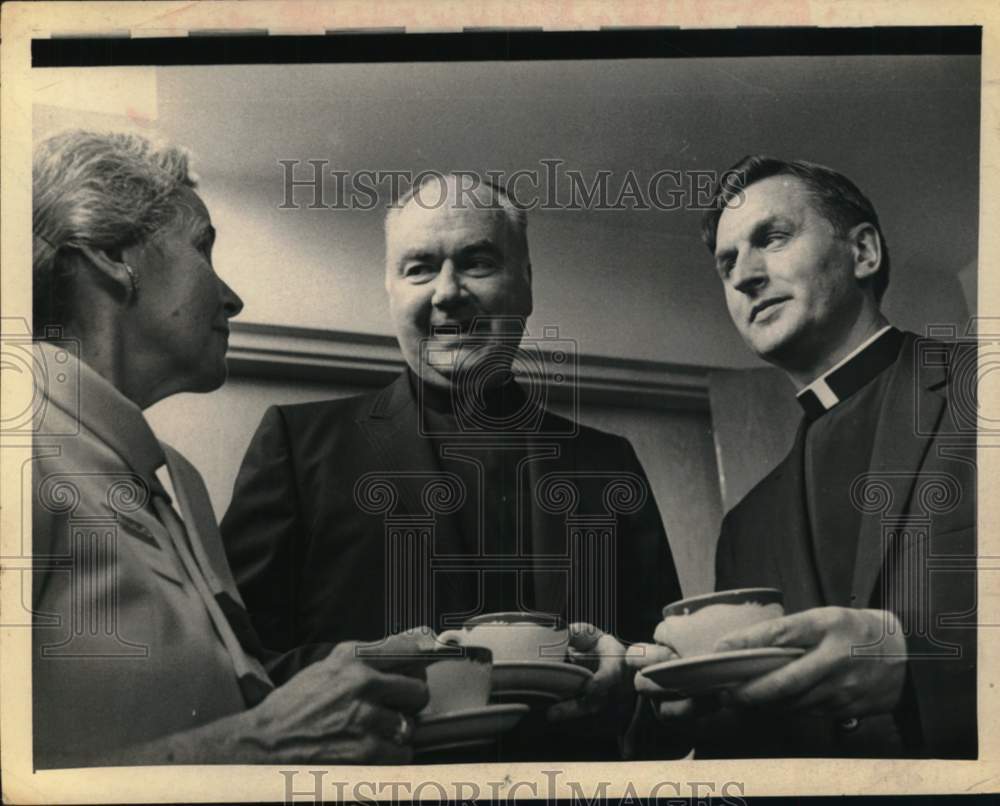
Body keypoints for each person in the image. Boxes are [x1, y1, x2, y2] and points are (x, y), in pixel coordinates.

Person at [220, 173, 683, 759]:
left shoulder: (609, 463)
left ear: (526, 284)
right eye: (419, 268)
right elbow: (235, 664)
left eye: (477, 262)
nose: (447, 292)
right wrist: (387, 669)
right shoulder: (297, 442)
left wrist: (630, 683)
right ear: (390, 289)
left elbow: (661, 667)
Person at [30, 129, 428, 767]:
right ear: (109, 254)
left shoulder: (178, 484)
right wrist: (261, 745)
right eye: (203, 248)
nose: (231, 296)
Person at [628, 156, 976, 758]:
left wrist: (917, 665)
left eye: (772, 237)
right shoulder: (744, 528)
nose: (743, 277)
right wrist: (701, 712)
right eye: (727, 263)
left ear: (863, 252)